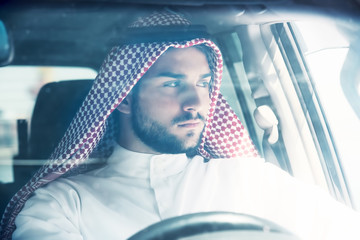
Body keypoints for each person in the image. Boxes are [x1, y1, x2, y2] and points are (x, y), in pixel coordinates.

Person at [1, 10, 360, 240]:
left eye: (204, 83)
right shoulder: (62, 205)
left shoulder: (250, 179)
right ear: (124, 97)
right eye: (172, 84)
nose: (196, 102)